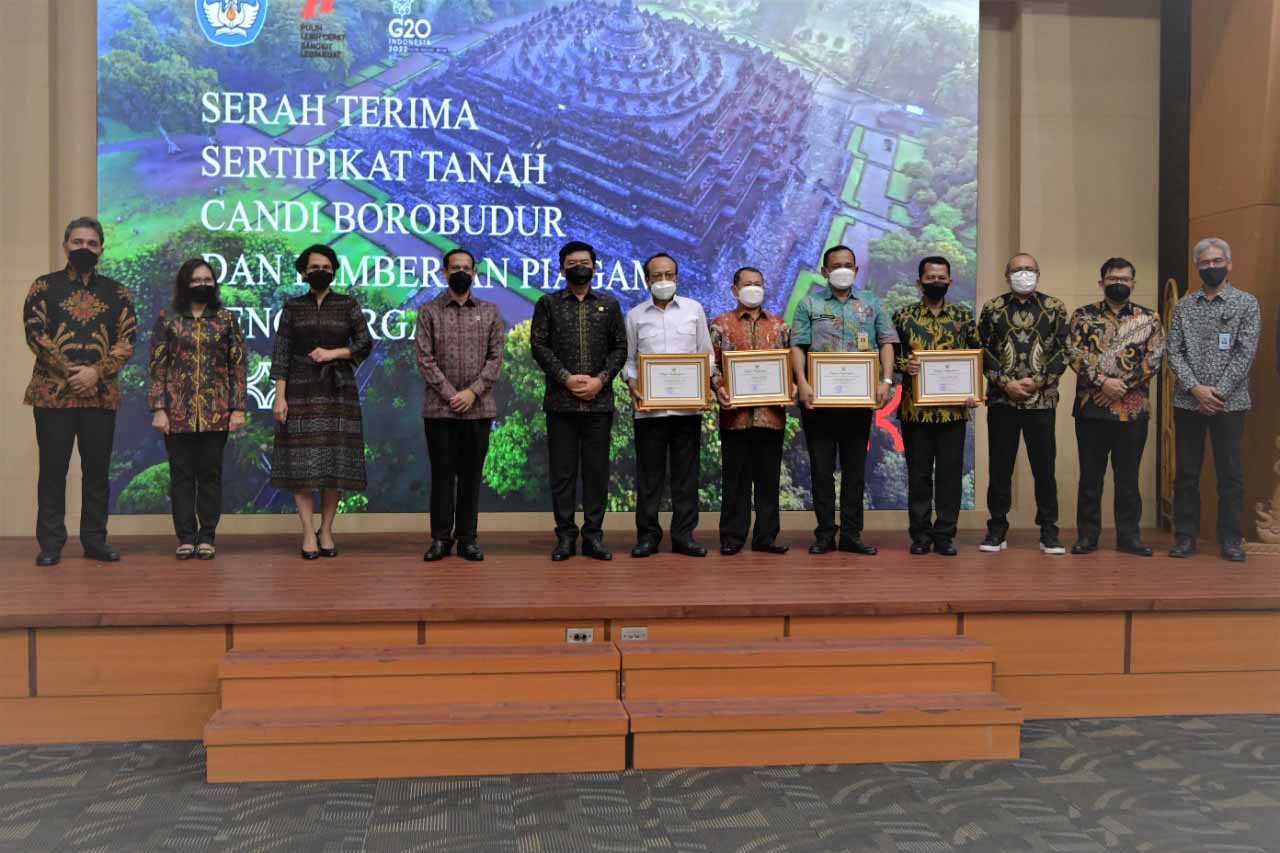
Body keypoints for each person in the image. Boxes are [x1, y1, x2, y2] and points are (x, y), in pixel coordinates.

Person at [24, 216, 137, 566]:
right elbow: (34, 333)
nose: (84, 248)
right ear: (65, 246)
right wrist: (71, 372)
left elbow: (128, 339)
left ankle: (94, 541)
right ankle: (51, 544)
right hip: (52, 393)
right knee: (53, 470)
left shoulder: (118, 292)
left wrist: (95, 373)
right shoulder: (43, 286)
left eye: (91, 243)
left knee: (98, 472)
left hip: (100, 395)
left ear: (101, 248)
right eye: (77, 242)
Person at [791, 245, 897, 555]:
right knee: (821, 471)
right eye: (836, 265)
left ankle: (851, 534)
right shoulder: (808, 303)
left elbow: (887, 343)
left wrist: (886, 381)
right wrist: (802, 382)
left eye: (848, 264)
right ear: (824, 270)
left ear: (856, 270)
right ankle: (825, 534)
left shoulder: (871, 303)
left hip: (857, 405)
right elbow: (798, 346)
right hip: (818, 404)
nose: (842, 269)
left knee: (854, 471)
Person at [270, 244, 372, 560]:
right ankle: (306, 532)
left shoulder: (347, 304)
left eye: (326, 267)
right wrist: (280, 396)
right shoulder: (293, 307)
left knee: (334, 464)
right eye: (314, 267)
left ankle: (326, 529)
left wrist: (334, 353)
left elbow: (365, 343)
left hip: (337, 390)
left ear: (334, 271)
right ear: (303, 272)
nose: (321, 272)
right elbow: (282, 353)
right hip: (299, 389)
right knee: (302, 465)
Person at [530, 241, 627, 561]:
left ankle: (594, 536)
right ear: (561, 269)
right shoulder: (548, 304)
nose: (579, 268)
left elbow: (620, 349)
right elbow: (539, 346)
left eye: (584, 262)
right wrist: (565, 378)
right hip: (561, 403)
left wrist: (600, 379)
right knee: (562, 472)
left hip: (599, 403)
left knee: (597, 472)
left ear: (595, 267)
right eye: (572, 263)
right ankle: (565, 536)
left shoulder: (610, 304)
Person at [1167, 237, 1261, 562]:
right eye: (1205, 262)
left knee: (1230, 475)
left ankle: (1231, 540)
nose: (1211, 267)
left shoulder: (1246, 304)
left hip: (1230, 403)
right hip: (1188, 401)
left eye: (1217, 261)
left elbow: (1245, 353)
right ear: (1197, 267)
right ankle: (1184, 537)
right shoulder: (1183, 307)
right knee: (1187, 475)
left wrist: (1216, 393)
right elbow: (1173, 352)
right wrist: (1195, 388)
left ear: (1229, 263)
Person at [147, 258, 247, 560]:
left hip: (216, 412)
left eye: (208, 279)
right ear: (185, 283)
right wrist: (159, 408)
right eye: (196, 279)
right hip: (177, 413)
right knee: (180, 476)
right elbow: (156, 366)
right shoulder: (169, 318)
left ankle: (207, 536)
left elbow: (238, 366)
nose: (202, 284)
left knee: (210, 475)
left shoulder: (227, 319)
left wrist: (238, 408)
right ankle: (186, 537)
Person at [1067, 257, 1165, 556]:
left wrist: (1119, 386)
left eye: (1125, 279)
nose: (1119, 283)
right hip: (1091, 411)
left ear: (1133, 283)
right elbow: (1072, 352)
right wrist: (1102, 383)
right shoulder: (1082, 316)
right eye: (1113, 279)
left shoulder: (1150, 319)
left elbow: (1155, 358)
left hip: (1132, 411)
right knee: (1090, 477)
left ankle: (1129, 537)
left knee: (1128, 478)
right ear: (1101, 282)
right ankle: (1087, 537)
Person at [978, 253, 1070, 554]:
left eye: (1029, 269)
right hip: (1002, 401)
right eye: (1017, 269)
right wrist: (1005, 382)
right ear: (1007, 275)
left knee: (1044, 468)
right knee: (1000, 469)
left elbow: (1063, 351)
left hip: (1041, 402)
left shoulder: (1054, 307)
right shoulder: (993, 308)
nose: (1023, 274)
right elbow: (982, 350)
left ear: (1039, 274)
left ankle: (1048, 531)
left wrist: (1039, 381)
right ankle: (997, 529)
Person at [415, 248, 503, 563]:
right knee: (442, 477)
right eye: (455, 268)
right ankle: (440, 539)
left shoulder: (491, 311)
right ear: (444, 273)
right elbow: (424, 359)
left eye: (467, 267)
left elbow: (495, 360)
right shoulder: (429, 311)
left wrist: (472, 393)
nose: (461, 272)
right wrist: (453, 393)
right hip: (439, 410)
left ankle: (467, 539)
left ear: (475, 273)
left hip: (479, 410)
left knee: (470, 477)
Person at [624, 253, 714, 558]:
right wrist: (632, 383)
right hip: (649, 410)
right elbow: (629, 361)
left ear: (677, 277)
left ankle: (684, 536)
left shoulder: (694, 310)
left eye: (669, 274)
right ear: (647, 280)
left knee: (686, 477)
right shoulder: (635, 315)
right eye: (657, 275)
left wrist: (705, 385)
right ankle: (648, 537)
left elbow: (707, 355)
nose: (664, 280)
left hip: (687, 410)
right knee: (649, 478)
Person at [892, 256, 980, 556]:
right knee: (918, 475)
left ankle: (944, 534)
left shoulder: (963, 316)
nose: (936, 282)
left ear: (950, 281)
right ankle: (920, 535)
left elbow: (975, 355)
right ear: (919, 282)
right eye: (930, 277)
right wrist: (906, 365)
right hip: (914, 410)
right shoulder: (902, 316)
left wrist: (973, 391)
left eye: (942, 277)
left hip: (953, 411)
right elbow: (889, 357)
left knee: (950, 474)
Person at [710, 267, 792, 556]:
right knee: (736, 479)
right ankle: (732, 536)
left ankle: (766, 537)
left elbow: (790, 367)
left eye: (758, 283)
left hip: (772, 416)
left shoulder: (781, 326)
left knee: (769, 479)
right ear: (734, 290)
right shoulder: (719, 325)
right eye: (747, 284)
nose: (753, 288)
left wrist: (790, 387)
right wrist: (719, 388)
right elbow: (712, 367)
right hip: (735, 417)